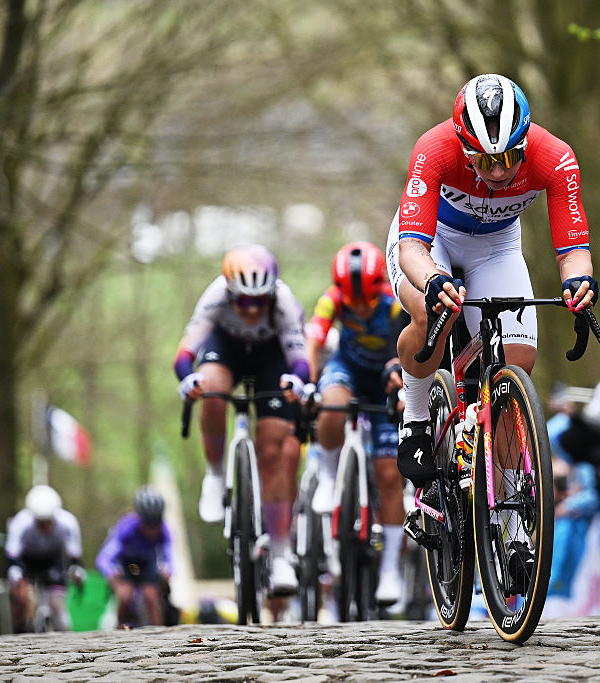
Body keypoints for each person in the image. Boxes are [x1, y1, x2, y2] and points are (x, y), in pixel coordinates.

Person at [385, 74, 597, 496]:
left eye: (509, 157)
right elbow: (411, 247)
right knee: (433, 313)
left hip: (497, 247)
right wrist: (433, 279)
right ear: (464, 148)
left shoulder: (556, 158)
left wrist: (579, 284)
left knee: (517, 361)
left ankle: (509, 493)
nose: (499, 171)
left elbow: (572, 246)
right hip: (433, 241)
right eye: (484, 161)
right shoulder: (434, 147)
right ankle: (416, 421)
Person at [174, 244, 310, 593]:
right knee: (212, 389)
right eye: (243, 302)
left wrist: (298, 380)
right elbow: (185, 353)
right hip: (227, 349)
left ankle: (280, 554)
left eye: (259, 302)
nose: (251, 310)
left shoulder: (283, 301)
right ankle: (216, 473)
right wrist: (188, 378)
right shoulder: (215, 296)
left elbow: (300, 360)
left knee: (272, 451)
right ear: (230, 293)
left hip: (271, 358)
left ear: (270, 295)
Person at [302, 241, 409, 607]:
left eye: (367, 300)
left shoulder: (395, 298)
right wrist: (307, 380)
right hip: (345, 370)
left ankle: (390, 568)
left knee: (390, 474)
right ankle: (330, 476)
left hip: (386, 378)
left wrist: (403, 376)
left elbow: (413, 340)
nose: (360, 308)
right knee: (331, 405)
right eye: (353, 301)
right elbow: (314, 339)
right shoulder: (332, 299)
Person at [5, 485, 84, 632]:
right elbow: (12, 557)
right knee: (21, 598)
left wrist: (76, 572)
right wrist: (16, 576)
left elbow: (75, 556)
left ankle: (65, 636)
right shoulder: (20, 522)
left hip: (52, 559)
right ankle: (19, 629)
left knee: (57, 605)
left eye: (48, 522)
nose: (45, 527)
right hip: (26, 560)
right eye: (40, 523)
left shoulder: (68, 522)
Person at [96, 487, 174, 627]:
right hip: (126, 565)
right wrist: (111, 572)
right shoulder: (126, 528)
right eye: (147, 524)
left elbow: (169, 554)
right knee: (126, 596)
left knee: (151, 596)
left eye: (155, 524)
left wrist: (168, 570)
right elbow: (104, 557)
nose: (152, 530)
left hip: (147, 564)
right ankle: (120, 630)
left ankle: (161, 634)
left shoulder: (164, 530)